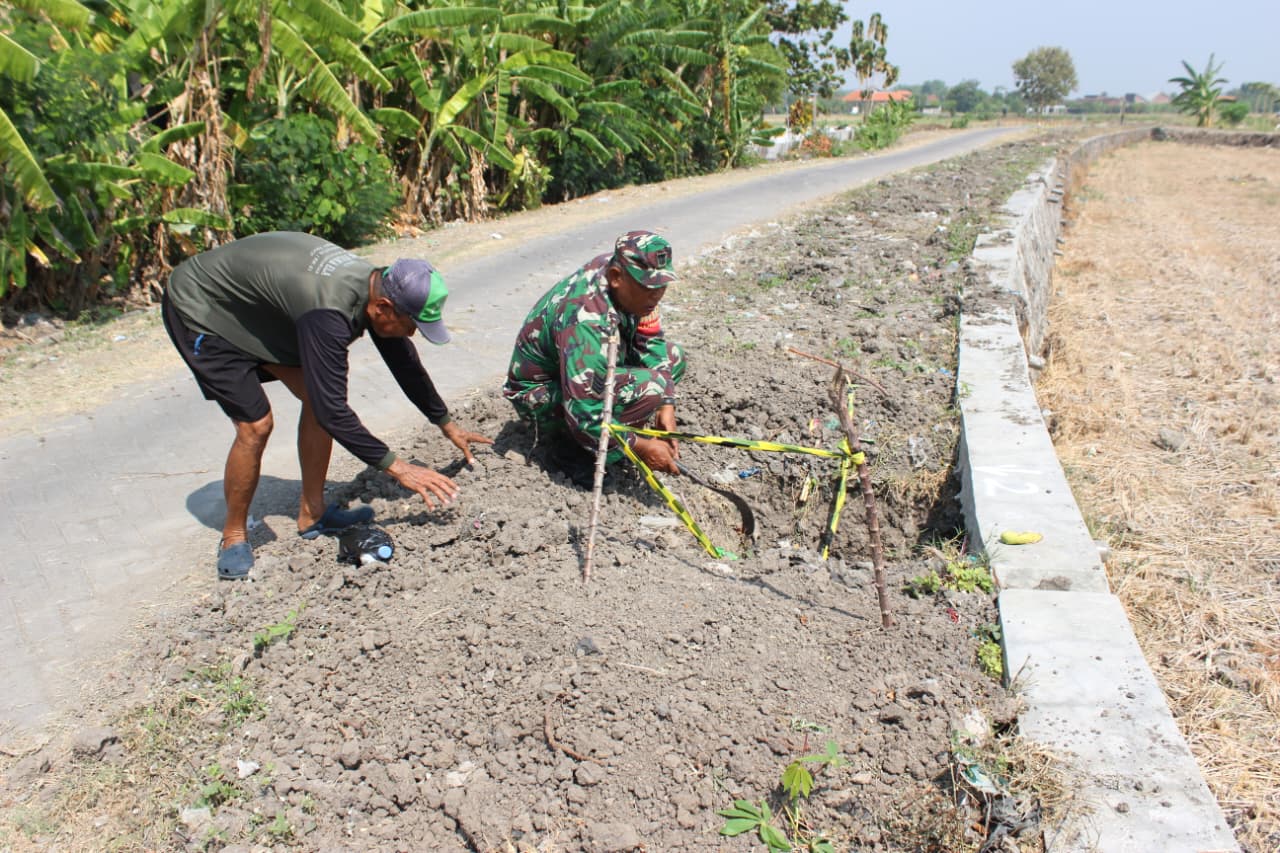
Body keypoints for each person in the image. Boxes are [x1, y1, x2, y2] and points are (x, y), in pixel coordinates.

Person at [163, 231, 492, 579]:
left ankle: (312, 514)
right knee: (256, 424)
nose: (411, 334)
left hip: (255, 308)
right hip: (202, 308)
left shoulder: (380, 287)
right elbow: (332, 411)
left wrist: (446, 423)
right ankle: (234, 536)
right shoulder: (329, 314)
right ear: (383, 308)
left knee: (316, 394)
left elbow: (404, 363)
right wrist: (399, 469)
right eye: (411, 325)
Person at [503, 230, 685, 487]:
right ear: (616, 278)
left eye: (661, 285)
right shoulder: (584, 318)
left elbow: (651, 340)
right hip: (541, 396)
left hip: (589, 366)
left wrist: (667, 404)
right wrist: (639, 447)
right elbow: (585, 412)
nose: (656, 296)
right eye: (648, 287)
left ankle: (614, 432)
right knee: (650, 385)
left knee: (674, 358)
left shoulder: (630, 282)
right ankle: (572, 450)